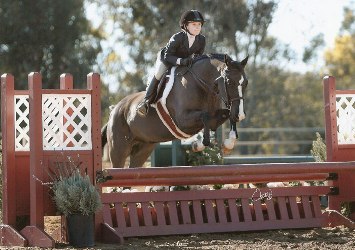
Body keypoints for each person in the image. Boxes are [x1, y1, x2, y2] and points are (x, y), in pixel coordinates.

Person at [136, 10, 206, 116]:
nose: (197, 27)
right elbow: (167, 56)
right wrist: (181, 61)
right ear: (186, 26)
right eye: (194, 24)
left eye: (199, 24)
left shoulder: (201, 39)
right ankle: (145, 102)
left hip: (185, 61)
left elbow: (198, 56)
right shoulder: (177, 37)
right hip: (167, 59)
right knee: (159, 74)